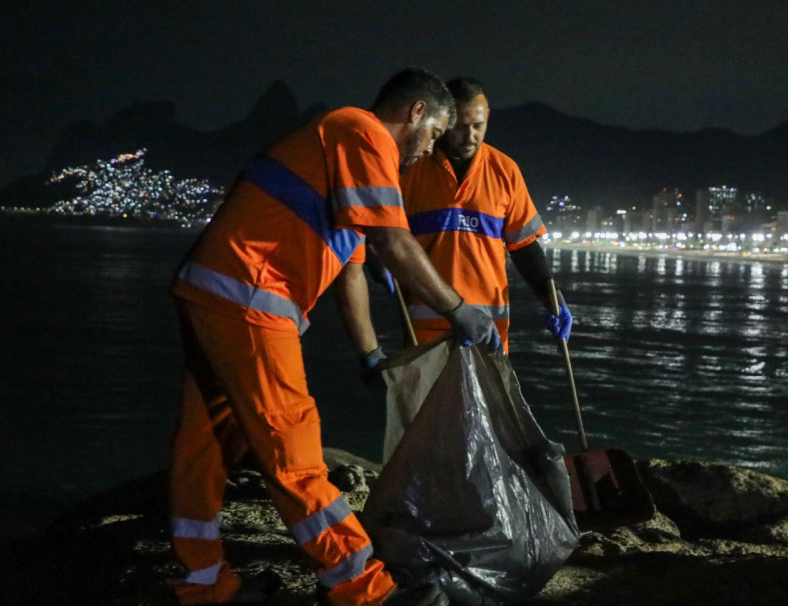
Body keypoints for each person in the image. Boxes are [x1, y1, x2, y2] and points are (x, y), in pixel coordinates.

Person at [165, 68, 498, 606]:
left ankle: (202, 582)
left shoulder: (340, 152)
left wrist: (370, 353)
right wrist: (459, 308)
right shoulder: (360, 131)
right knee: (291, 444)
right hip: (250, 295)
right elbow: (392, 240)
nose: (432, 147)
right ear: (415, 113)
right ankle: (361, 586)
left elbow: (352, 268)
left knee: (204, 446)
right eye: (436, 132)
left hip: (213, 291)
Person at [397, 77, 572, 353]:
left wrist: (553, 298)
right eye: (460, 127)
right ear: (444, 120)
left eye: (478, 126)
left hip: (489, 333)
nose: (471, 137)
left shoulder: (505, 170)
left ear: (487, 116)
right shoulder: (411, 169)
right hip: (425, 333)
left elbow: (525, 246)